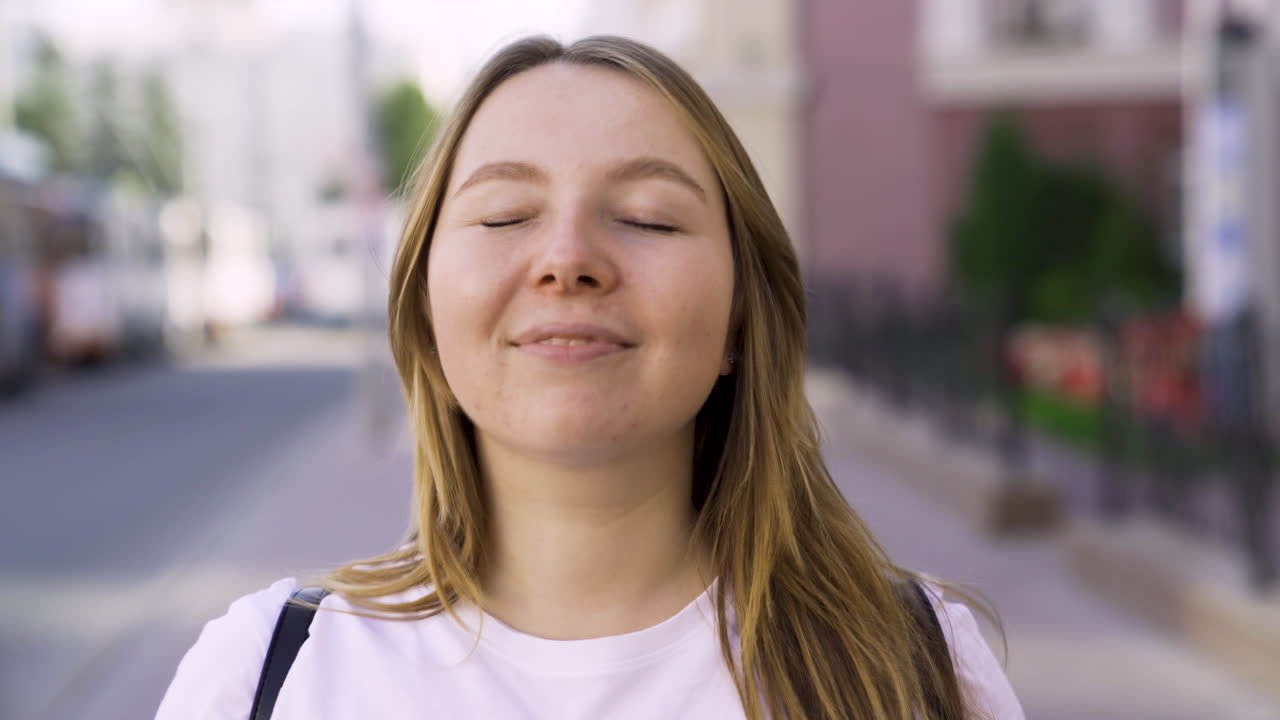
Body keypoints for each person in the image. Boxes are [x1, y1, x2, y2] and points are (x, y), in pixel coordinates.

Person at [156, 35, 1025, 720]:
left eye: (647, 218)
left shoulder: (913, 665)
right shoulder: (271, 673)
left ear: (737, 321)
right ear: (425, 310)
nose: (567, 259)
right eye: (504, 215)